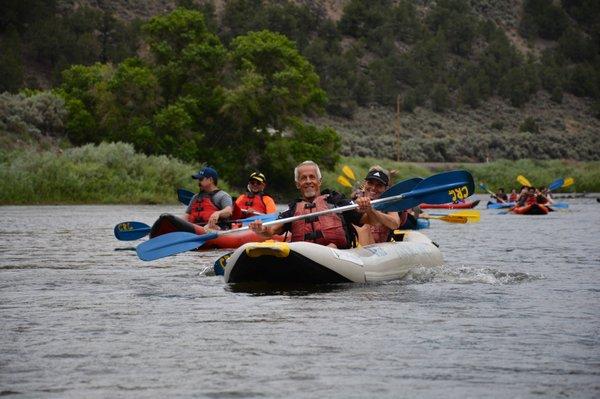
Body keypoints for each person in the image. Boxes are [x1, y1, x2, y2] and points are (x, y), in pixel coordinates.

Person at [248, 160, 369, 248]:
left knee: (332, 246)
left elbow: (368, 220)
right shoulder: (293, 210)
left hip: (338, 255)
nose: (308, 181)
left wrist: (366, 207)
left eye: (312, 177)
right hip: (305, 258)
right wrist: (261, 229)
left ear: (319, 181)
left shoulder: (337, 201)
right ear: (297, 184)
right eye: (303, 178)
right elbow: (270, 231)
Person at [352, 167, 402, 245]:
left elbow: (395, 224)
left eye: (379, 185)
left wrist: (371, 210)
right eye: (370, 183)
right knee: (364, 227)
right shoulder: (355, 201)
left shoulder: (388, 203)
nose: (373, 188)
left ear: (386, 189)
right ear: (365, 183)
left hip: (382, 249)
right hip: (358, 249)